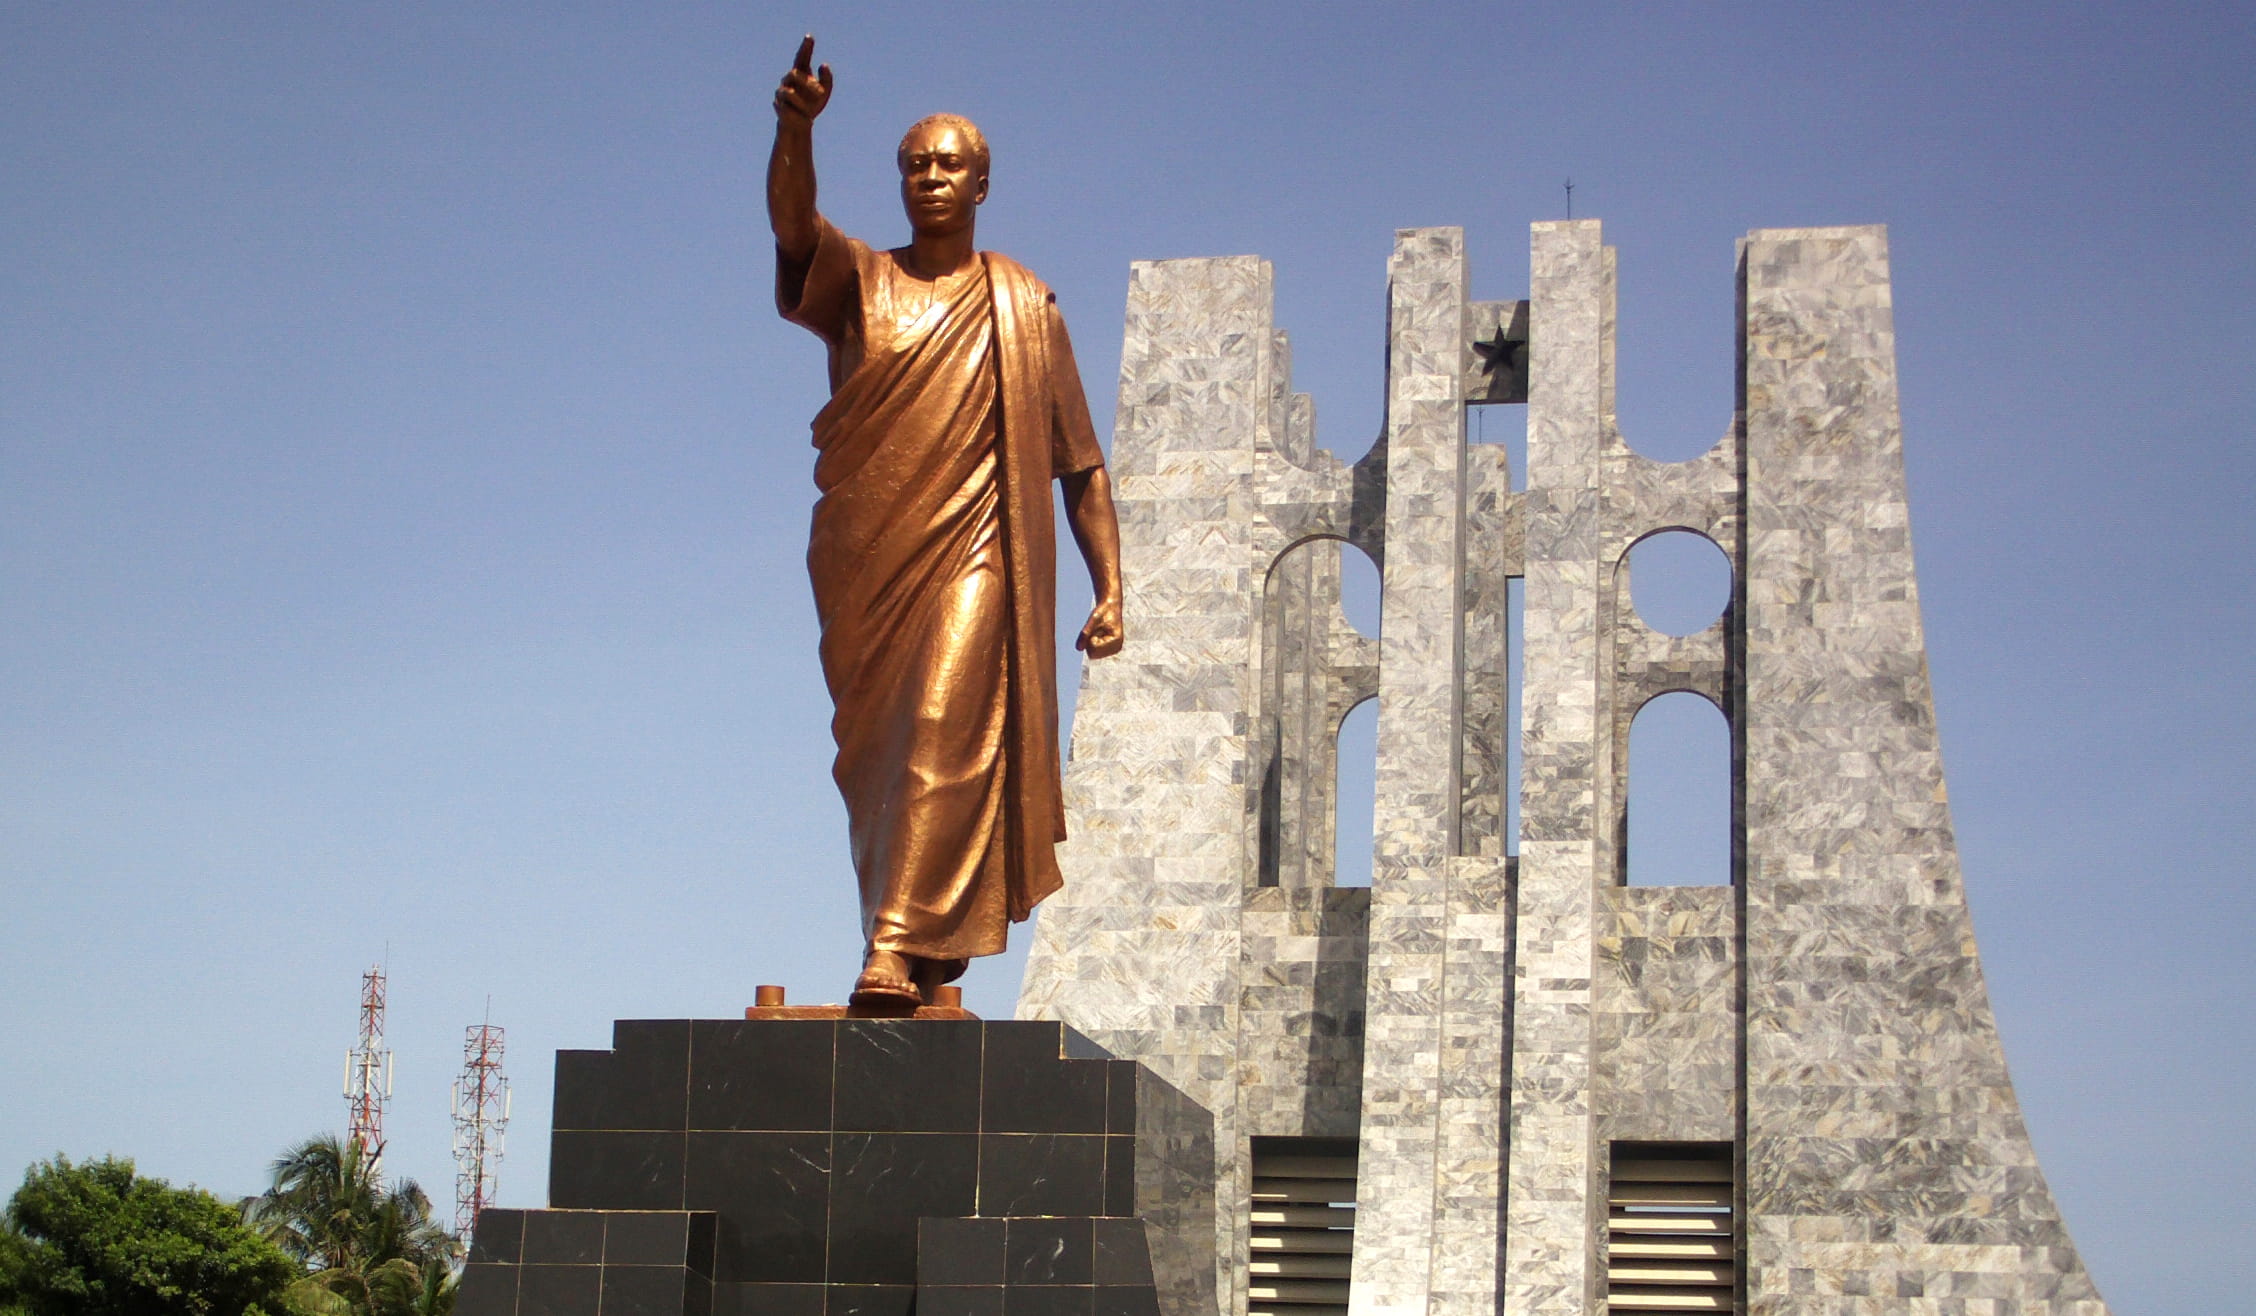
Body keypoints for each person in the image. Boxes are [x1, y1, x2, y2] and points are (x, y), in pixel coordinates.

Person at [768, 37, 1124, 1009]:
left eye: (949, 165)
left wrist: (1112, 586)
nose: (930, 178)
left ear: (982, 185)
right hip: (866, 560)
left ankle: (892, 942)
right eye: (915, 164)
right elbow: (794, 227)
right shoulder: (861, 282)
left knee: (941, 721)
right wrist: (794, 131)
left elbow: (1079, 462)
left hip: (978, 550)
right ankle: (922, 931)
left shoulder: (1022, 306)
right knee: (878, 762)